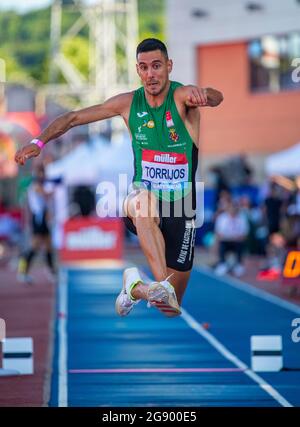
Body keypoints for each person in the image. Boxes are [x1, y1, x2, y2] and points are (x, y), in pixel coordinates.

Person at [15, 38, 223, 316]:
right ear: (138, 70)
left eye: (157, 66)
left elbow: (216, 97)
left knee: (171, 308)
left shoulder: (182, 96)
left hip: (182, 207)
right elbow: (74, 118)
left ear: (169, 67)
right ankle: (160, 285)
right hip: (142, 197)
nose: (151, 74)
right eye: (144, 67)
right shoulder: (128, 103)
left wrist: (204, 94)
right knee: (142, 201)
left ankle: (136, 287)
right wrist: (38, 142)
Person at [17, 164, 56, 284]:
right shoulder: (35, 184)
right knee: (35, 246)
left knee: (49, 245)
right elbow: (45, 194)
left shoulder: (39, 183)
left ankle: (51, 272)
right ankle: (22, 271)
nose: (44, 175)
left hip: (42, 217)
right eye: (42, 173)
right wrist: (54, 188)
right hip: (38, 218)